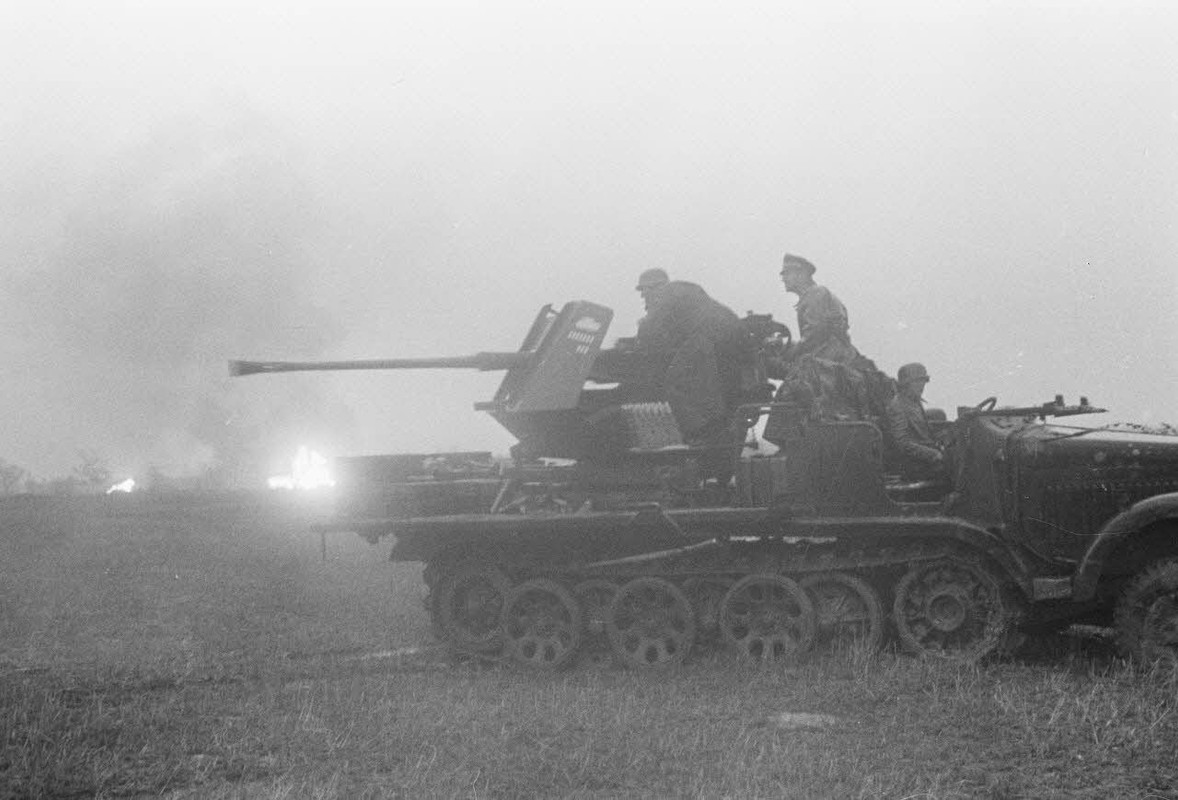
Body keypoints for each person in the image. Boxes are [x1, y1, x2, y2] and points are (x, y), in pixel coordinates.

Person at [632, 271, 747, 452]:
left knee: (676, 381)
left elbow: (650, 331)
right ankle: (715, 437)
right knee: (713, 388)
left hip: (711, 340)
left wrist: (640, 334)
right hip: (732, 343)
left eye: (645, 290)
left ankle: (700, 436)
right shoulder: (688, 295)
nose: (643, 296)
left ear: (657, 287)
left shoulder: (669, 295)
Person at [777, 254, 860, 365]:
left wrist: (789, 352)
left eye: (787, 273)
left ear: (801, 274)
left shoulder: (815, 293)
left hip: (831, 356)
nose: (783, 279)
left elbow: (814, 334)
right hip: (830, 353)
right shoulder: (812, 296)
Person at [886, 362, 945, 479]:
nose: (922, 386)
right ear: (906, 384)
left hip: (923, 458)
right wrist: (933, 454)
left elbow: (923, 432)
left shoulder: (914, 402)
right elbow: (902, 444)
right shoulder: (897, 406)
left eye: (923, 381)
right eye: (917, 382)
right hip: (913, 465)